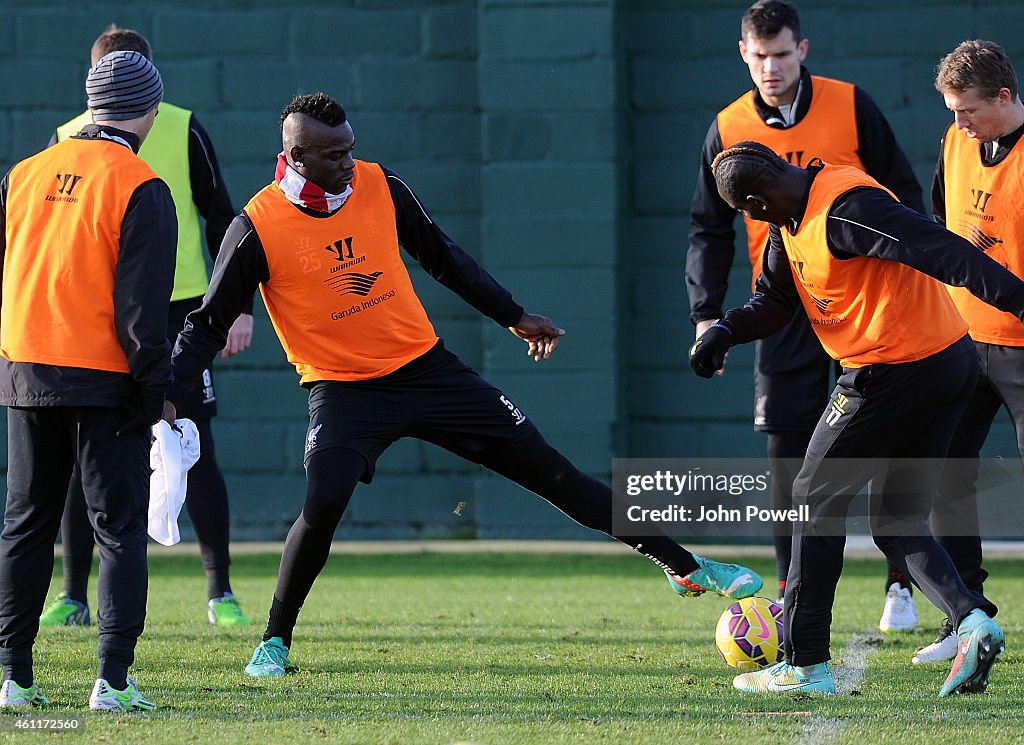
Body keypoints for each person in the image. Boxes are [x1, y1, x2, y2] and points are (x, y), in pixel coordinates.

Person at [165, 92, 765, 677]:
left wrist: (513, 314)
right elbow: (207, 324)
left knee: (552, 471)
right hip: (343, 390)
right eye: (333, 155)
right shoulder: (256, 225)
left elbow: (444, 257)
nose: (349, 162)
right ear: (295, 158)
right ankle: (274, 641)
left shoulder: (381, 184)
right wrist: (169, 390)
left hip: (428, 371)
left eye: (351, 148)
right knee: (321, 504)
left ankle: (683, 564)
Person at [689, 141, 1020, 696]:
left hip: (892, 372)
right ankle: (972, 622)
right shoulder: (789, 215)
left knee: (814, 499)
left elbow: (943, 250)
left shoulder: (847, 207)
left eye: (746, 213)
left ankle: (806, 664)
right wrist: (724, 330)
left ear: (754, 201)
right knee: (896, 518)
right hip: (942, 364)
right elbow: (774, 300)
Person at [685, 0, 923, 631]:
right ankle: (793, 594)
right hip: (786, 307)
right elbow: (709, 231)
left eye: (782, 54)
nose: (770, 67)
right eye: (759, 56)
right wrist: (707, 315)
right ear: (744, 54)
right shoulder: (727, 126)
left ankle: (900, 578)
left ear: (803, 51)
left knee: (881, 443)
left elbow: (905, 194)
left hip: (862, 298)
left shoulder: (852, 105)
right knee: (789, 455)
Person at [39, 25, 252, 629]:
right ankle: (73, 595)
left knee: (192, 442)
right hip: (98, 313)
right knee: (88, 454)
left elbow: (222, 218)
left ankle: (220, 592)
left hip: (182, 311)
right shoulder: (64, 139)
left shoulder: (182, 127)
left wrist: (238, 308)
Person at [0, 51, 174, 711]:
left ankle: (14, 678)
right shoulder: (138, 182)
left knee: (24, 524)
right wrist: (153, 389)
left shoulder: (23, 172)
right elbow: (141, 309)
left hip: (24, 369)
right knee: (119, 528)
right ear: (149, 111)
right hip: (104, 379)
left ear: (91, 103)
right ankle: (114, 681)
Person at [910, 40, 1024, 665]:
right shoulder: (956, 142)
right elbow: (940, 216)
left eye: (968, 110)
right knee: (945, 480)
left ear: (1004, 97)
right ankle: (968, 617)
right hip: (959, 340)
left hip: (1022, 347)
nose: (958, 123)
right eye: (951, 110)